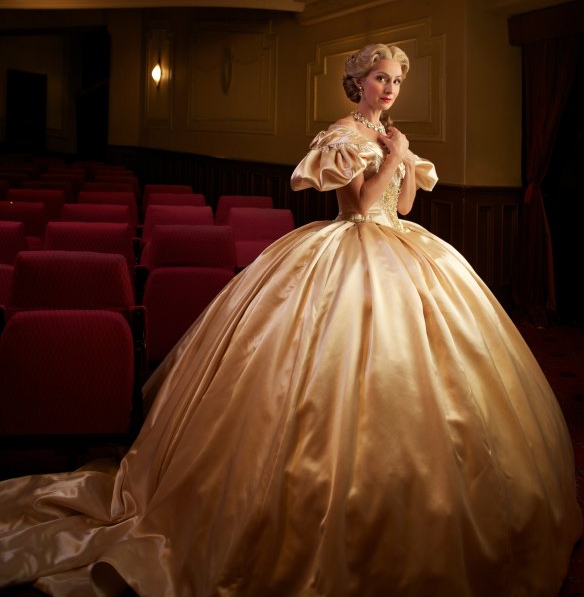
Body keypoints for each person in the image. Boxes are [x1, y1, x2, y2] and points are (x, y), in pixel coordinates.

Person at [0, 43, 581, 597]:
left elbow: (401, 208)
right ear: (359, 82)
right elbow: (356, 207)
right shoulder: (341, 136)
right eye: (382, 78)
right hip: (346, 250)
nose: (390, 89)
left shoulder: (388, 135)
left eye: (398, 81)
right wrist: (395, 158)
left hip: (402, 247)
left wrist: (404, 162)